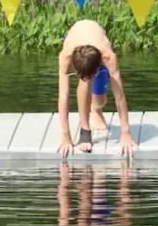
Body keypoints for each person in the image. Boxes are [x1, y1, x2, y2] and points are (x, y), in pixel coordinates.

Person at [57, 19, 136, 158]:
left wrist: (126, 133)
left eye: (91, 75)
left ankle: (95, 108)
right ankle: (85, 130)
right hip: (74, 37)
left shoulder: (108, 57)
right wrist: (65, 136)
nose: (88, 78)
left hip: (97, 43)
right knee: (85, 83)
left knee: (100, 100)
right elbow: (63, 94)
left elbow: (119, 96)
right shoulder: (66, 55)